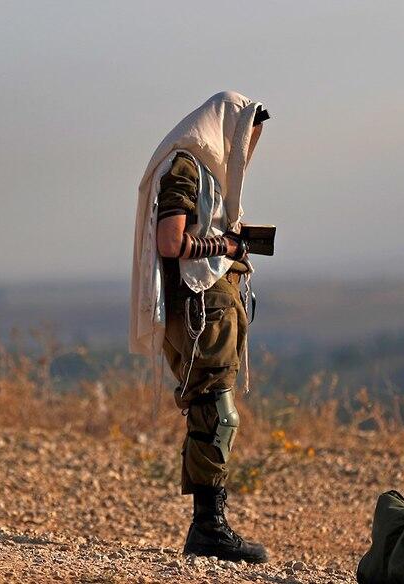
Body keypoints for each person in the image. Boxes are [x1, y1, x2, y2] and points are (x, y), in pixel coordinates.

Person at [129, 91, 271, 563]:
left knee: (215, 413)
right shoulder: (186, 166)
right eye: (244, 136)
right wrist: (226, 248)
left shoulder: (202, 169)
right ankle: (208, 529)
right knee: (216, 414)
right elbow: (171, 243)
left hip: (210, 310)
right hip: (197, 313)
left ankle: (209, 526)